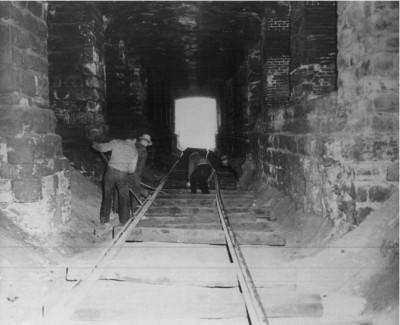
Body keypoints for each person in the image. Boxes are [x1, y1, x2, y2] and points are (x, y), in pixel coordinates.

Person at [92, 133, 138, 225]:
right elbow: (132, 170)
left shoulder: (116, 142)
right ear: (134, 140)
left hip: (110, 172)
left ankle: (104, 219)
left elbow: (102, 148)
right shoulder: (134, 151)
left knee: (107, 195)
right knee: (124, 197)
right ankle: (124, 221)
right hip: (123, 174)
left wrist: (94, 144)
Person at [128, 133, 152, 212]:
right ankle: (135, 209)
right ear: (145, 142)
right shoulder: (144, 151)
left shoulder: (132, 146)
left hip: (123, 170)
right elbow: (140, 167)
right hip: (134, 173)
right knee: (136, 190)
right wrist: (138, 177)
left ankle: (116, 209)